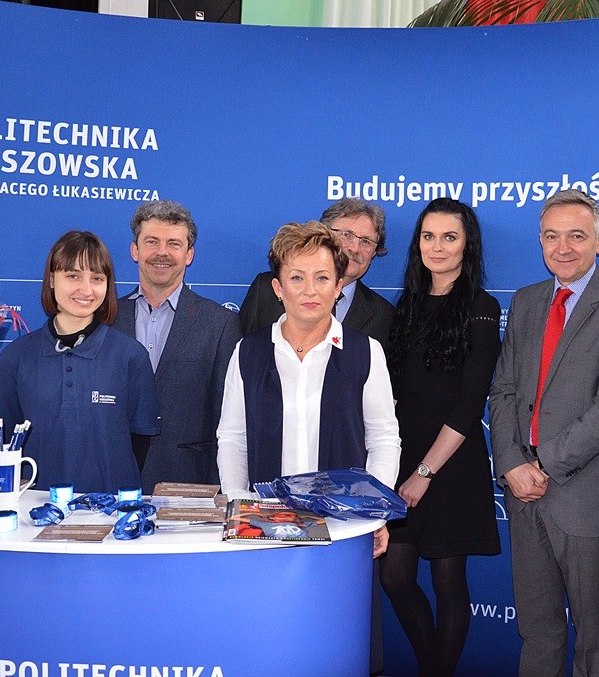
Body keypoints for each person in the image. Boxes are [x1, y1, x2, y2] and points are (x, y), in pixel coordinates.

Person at [489, 190, 599, 676]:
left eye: (577, 236)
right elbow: (503, 390)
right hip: (524, 495)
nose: (563, 248)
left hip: (590, 499)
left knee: (595, 641)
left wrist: (542, 464)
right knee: (537, 632)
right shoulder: (526, 302)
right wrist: (512, 464)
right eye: (551, 236)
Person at [216, 221, 401, 555]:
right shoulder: (248, 352)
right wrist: (240, 504)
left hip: (344, 527)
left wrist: (371, 512)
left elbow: (383, 440)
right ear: (278, 287)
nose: (310, 290)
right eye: (297, 278)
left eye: (322, 278)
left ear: (338, 286)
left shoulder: (365, 352)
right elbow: (233, 438)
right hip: (262, 526)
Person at [379, 198, 501, 677]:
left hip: (450, 463)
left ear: (467, 245)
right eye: (428, 236)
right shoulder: (406, 305)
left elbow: (471, 404)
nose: (437, 246)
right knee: (394, 577)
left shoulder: (482, 307)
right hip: (403, 457)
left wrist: (425, 472)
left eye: (449, 237)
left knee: (449, 580)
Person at [0, 231, 160, 494]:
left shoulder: (130, 355)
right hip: (36, 508)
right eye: (73, 276)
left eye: (97, 278)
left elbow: (141, 439)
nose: (86, 290)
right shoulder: (17, 357)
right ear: (51, 280)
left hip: (111, 510)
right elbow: (1, 440)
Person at [114, 200, 241, 491]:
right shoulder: (106, 318)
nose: (162, 252)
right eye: (151, 242)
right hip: (112, 484)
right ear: (135, 250)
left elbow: (227, 422)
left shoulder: (220, 324)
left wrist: (218, 495)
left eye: (173, 243)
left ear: (189, 254)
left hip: (189, 487)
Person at [238, 198, 394, 345]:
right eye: (346, 235)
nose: (355, 248)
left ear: (374, 253)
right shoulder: (265, 290)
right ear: (324, 235)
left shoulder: (383, 314)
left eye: (366, 241)